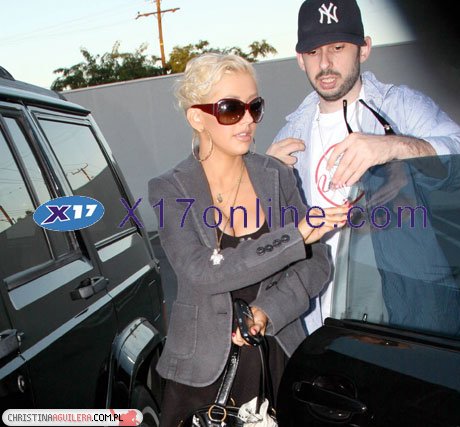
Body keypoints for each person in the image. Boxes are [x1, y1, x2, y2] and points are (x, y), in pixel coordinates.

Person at [148, 53, 348, 426]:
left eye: (254, 107)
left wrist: (267, 311)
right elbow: (200, 273)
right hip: (201, 373)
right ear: (197, 117)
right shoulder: (169, 189)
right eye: (230, 109)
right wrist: (295, 236)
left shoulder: (276, 175)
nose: (247, 121)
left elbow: (316, 262)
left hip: (275, 355)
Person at [267, 0, 460, 334]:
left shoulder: (401, 106)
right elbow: (266, 238)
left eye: (338, 47)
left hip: (410, 312)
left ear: (364, 48)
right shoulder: (289, 136)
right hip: (320, 319)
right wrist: (263, 178)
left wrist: (395, 146)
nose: (325, 63)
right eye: (313, 52)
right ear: (300, 59)